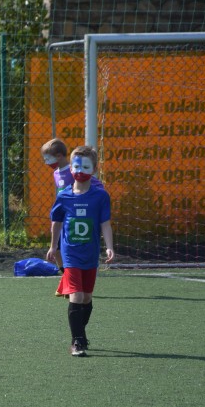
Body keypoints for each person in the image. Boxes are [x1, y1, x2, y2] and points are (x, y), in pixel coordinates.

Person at [46, 145, 114, 357]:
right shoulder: (64, 196)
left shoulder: (100, 196)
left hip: (90, 253)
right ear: (71, 168)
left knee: (86, 297)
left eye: (85, 167)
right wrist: (53, 246)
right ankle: (77, 341)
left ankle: (80, 333)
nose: (79, 170)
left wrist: (109, 247)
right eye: (76, 166)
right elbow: (56, 222)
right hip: (71, 254)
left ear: (94, 169)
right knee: (76, 294)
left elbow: (105, 223)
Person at [42, 137, 104, 296]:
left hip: (77, 219)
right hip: (64, 216)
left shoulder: (74, 171)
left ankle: (70, 282)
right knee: (56, 247)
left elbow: (94, 184)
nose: (46, 162)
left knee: (69, 249)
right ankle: (67, 278)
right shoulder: (56, 173)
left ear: (59, 156)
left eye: (48, 158)